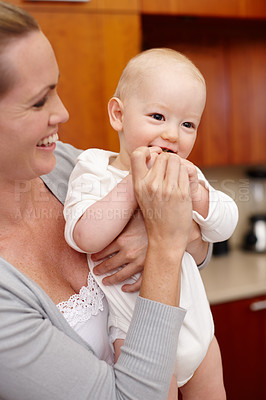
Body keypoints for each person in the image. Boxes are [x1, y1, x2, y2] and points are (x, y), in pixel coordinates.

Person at [0, 2, 212, 399]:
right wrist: (165, 245)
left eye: (56, 89)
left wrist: (175, 235)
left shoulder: (65, 164)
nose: (62, 113)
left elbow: (199, 253)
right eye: (39, 101)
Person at [64, 48, 239, 399]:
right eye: (158, 116)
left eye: (188, 124)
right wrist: (132, 184)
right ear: (119, 114)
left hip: (197, 328)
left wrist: (198, 194)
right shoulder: (93, 167)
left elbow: (224, 225)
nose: (173, 135)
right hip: (136, 334)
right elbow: (83, 235)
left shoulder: (185, 175)